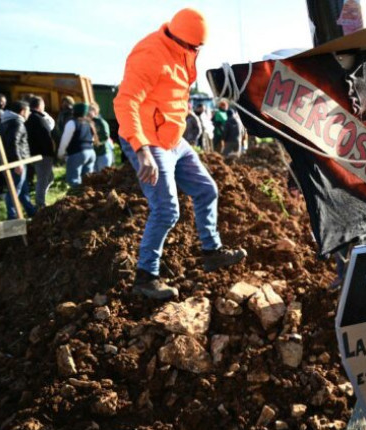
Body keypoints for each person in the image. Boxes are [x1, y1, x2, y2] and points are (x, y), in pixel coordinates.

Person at [113, 8, 246, 300]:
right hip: (148, 141)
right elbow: (125, 103)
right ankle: (145, 277)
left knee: (206, 189)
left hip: (173, 138)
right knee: (167, 209)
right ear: (182, 40)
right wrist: (142, 150)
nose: (197, 51)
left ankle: (211, 252)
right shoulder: (150, 55)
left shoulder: (183, 52)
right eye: (195, 47)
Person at [0, 100, 36, 219]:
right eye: (28, 111)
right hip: (17, 162)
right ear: (22, 111)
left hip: (12, 161)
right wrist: (18, 163)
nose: (29, 114)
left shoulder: (6, 122)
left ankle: (31, 212)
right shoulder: (17, 123)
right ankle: (12, 216)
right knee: (15, 190)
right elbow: (14, 143)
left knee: (23, 190)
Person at [25, 96, 56, 208]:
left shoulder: (30, 118)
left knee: (49, 178)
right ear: (40, 106)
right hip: (43, 154)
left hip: (36, 153)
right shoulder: (38, 119)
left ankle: (40, 199)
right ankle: (40, 203)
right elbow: (45, 137)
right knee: (43, 178)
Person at [57, 103, 97, 186]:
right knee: (87, 181)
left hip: (77, 153)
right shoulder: (89, 123)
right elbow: (92, 139)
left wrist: (60, 153)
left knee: (73, 181)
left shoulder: (72, 123)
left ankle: (77, 196)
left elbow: (65, 140)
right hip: (91, 153)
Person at [89, 102, 114, 171]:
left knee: (104, 174)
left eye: (90, 110)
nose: (88, 112)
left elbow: (106, 136)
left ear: (95, 111)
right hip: (93, 154)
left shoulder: (101, 122)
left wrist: (97, 142)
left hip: (103, 152)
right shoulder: (87, 122)